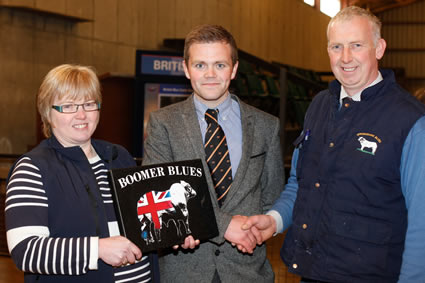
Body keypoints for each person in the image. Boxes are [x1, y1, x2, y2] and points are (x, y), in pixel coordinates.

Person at [243, 6, 425, 283]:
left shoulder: (410, 120)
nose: (346, 57)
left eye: (357, 45)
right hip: (312, 271)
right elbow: (300, 183)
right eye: (336, 46)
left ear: (379, 48)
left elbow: (422, 221)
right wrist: (275, 220)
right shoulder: (319, 105)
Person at [142, 24, 289, 282]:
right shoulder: (163, 124)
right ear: (186, 68)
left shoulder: (266, 126)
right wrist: (225, 226)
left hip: (247, 270)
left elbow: (272, 197)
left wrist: (258, 229)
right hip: (184, 272)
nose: (210, 74)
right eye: (200, 65)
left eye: (220, 65)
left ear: (233, 69)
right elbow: (156, 195)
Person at [5, 64, 160, 282]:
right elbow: (26, 251)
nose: (81, 114)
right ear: (48, 113)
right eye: (68, 106)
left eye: (89, 104)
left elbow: (145, 222)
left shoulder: (119, 157)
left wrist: (173, 231)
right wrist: (97, 249)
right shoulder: (33, 168)